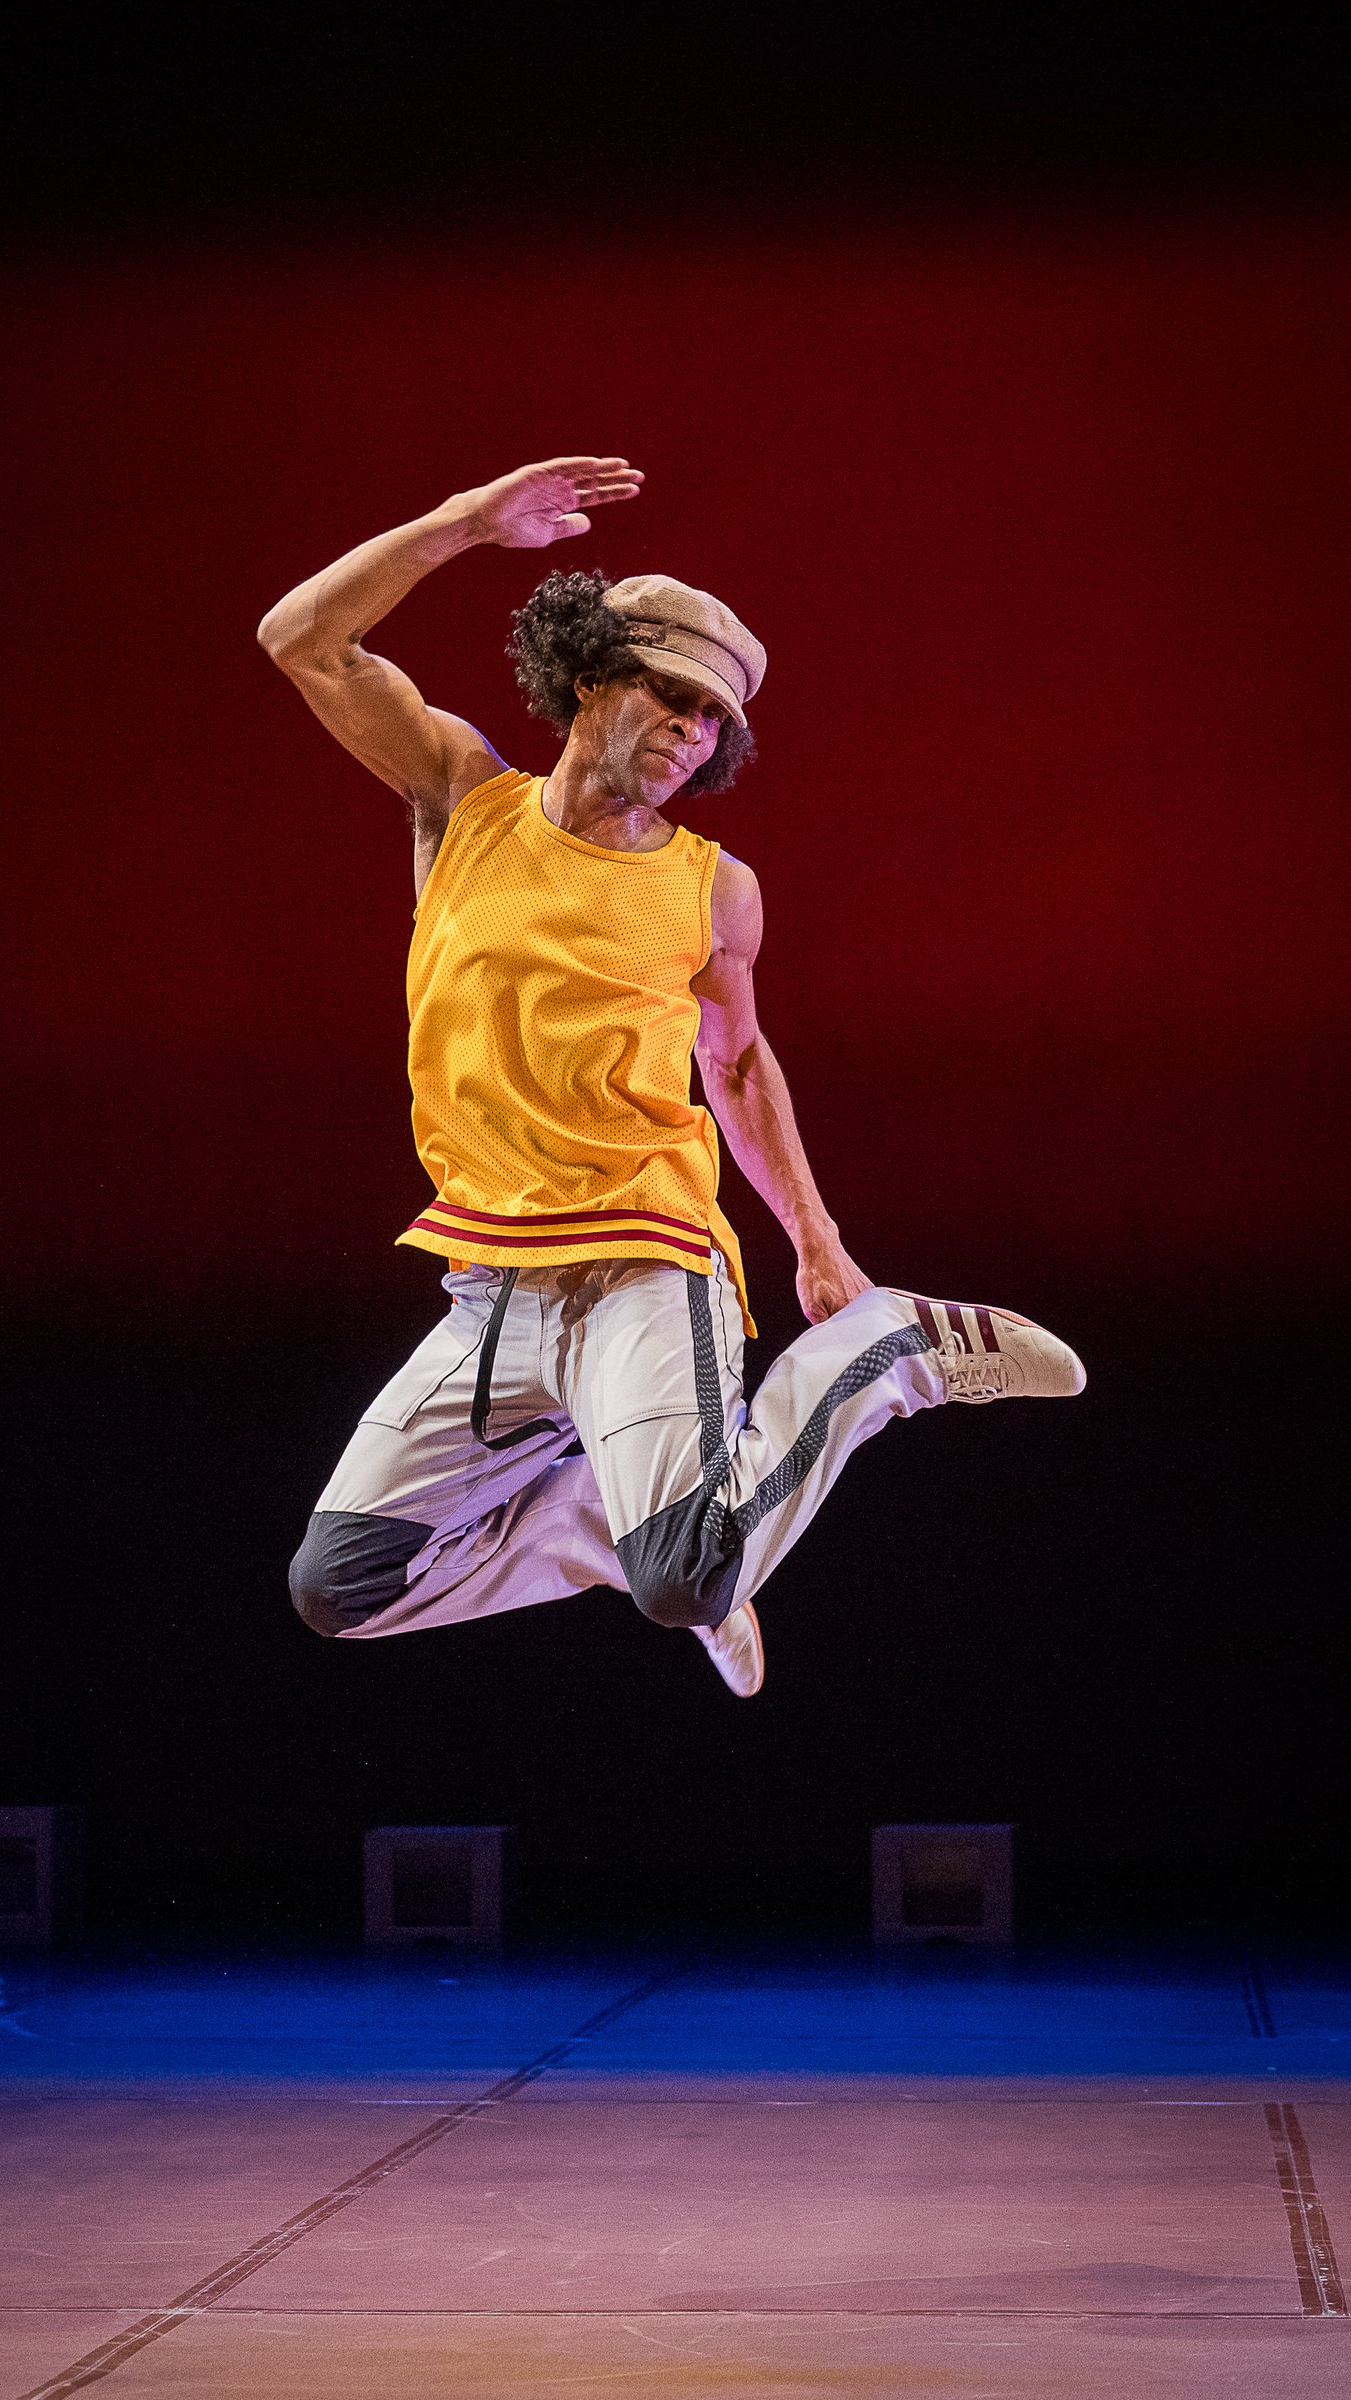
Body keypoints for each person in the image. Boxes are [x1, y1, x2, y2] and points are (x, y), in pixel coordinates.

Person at [257, 456, 1084, 1698]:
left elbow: (735, 1062)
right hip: (491, 1287)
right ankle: (610, 1527)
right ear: (591, 677)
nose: (694, 731)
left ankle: (888, 1353)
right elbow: (302, 642)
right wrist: (463, 525)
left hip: (645, 1260)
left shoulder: (713, 889)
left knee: (689, 1579)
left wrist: (817, 1243)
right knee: (342, 1589)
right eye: (674, 696)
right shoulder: (462, 798)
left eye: (714, 721)